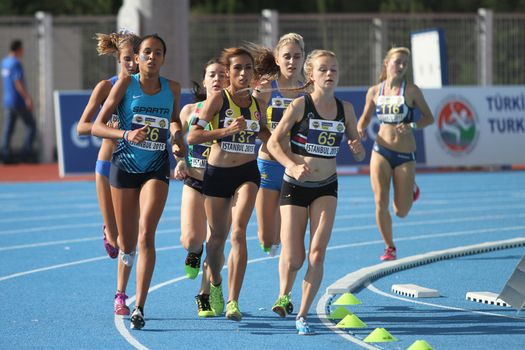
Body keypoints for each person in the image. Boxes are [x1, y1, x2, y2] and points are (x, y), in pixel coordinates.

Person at [267, 49, 365, 335]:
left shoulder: (345, 108)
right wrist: (291, 165)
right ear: (311, 75)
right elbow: (274, 143)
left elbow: (357, 150)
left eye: (334, 69)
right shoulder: (300, 105)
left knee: (317, 254)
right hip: (295, 185)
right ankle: (283, 294)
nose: (329, 74)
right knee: (295, 256)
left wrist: (358, 149)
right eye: (323, 69)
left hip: (326, 186)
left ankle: (303, 314)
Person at [92, 34, 184, 330]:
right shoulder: (124, 86)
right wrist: (125, 134)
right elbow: (96, 126)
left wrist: (177, 138)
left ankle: (140, 305)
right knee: (126, 243)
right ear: (139, 56)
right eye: (147, 52)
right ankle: (120, 291)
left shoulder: (172, 88)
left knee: (147, 236)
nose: (151, 57)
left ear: (163, 58)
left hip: (156, 167)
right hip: (124, 168)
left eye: (158, 52)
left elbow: (174, 120)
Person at [187, 47, 271, 322]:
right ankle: (216, 285)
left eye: (248, 68)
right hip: (216, 175)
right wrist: (225, 131)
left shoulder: (257, 105)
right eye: (238, 68)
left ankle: (234, 301)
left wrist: (291, 150)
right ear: (228, 73)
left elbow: (266, 135)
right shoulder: (217, 100)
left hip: (247, 173)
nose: (244, 73)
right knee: (216, 241)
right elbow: (192, 137)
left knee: (238, 232)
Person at [356, 47, 434, 261]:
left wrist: (413, 125)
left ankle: (411, 189)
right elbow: (364, 118)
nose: (400, 67)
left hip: (404, 155)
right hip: (381, 150)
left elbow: (429, 118)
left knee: (401, 211)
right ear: (386, 63)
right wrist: (360, 128)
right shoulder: (374, 91)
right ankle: (389, 247)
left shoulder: (412, 91)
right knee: (380, 201)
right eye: (397, 61)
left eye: (404, 64)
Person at [77, 31, 140, 269]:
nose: (133, 64)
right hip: (107, 164)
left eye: (136, 57)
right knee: (115, 240)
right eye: (127, 58)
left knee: (129, 239)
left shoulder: (148, 89)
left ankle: (123, 294)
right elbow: (82, 128)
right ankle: (107, 229)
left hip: (136, 166)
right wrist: (107, 129)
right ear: (118, 58)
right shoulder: (105, 87)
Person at [174, 58, 229, 317]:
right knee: (191, 239)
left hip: (221, 186)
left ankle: (205, 294)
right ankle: (193, 252)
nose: (217, 79)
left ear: (229, 80)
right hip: (195, 182)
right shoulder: (190, 110)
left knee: (214, 243)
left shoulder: (233, 112)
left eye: (222, 74)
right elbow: (177, 140)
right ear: (204, 81)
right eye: (212, 75)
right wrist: (180, 159)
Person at [250, 33, 306, 257]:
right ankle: (270, 243)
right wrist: (273, 142)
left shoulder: (309, 90)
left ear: (303, 59)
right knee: (265, 237)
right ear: (277, 59)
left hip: (293, 167)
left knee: (287, 233)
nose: (292, 62)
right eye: (287, 57)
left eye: (296, 56)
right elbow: (255, 124)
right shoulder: (266, 88)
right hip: (269, 164)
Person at [1, 39, 37, 163]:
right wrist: (27, 98)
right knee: (31, 125)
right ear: (18, 49)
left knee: (8, 130)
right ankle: (26, 153)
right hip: (18, 101)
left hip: (8, 101)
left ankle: (5, 155)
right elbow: (18, 82)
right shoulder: (16, 63)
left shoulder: (5, 62)